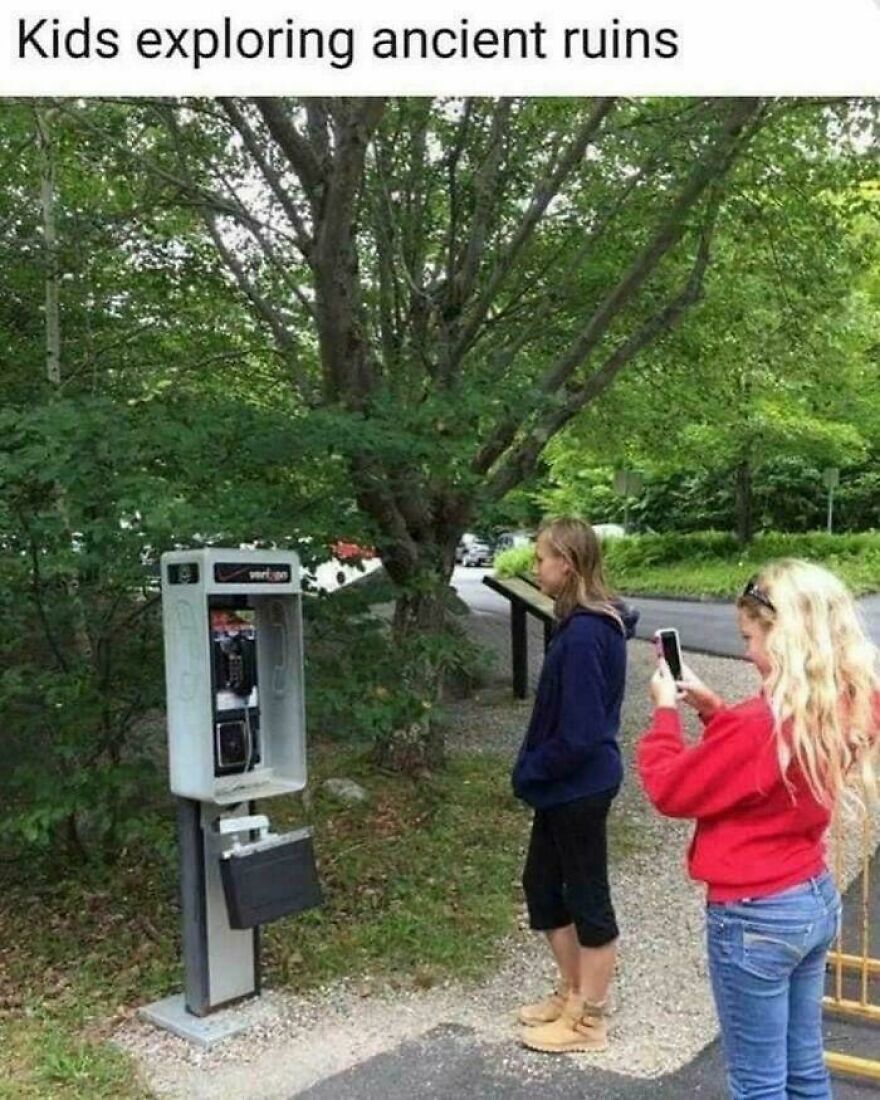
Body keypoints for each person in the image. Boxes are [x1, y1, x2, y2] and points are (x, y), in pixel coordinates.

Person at [638, 559, 879, 1099]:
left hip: (755, 916)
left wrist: (665, 715)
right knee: (804, 1069)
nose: (746, 650)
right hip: (811, 900)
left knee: (757, 1084)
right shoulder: (847, 701)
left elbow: (670, 789)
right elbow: (766, 770)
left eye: (750, 637)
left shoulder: (761, 725)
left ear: (785, 636)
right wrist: (712, 707)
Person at [512, 517, 638, 1054]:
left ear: (567, 562)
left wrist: (532, 769)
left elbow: (582, 734)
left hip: (579, 786)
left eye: (541, 557)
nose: (535, 566)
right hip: (564, 786)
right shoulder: (578, 623)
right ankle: (571, 994)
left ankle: (590, 1021)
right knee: (542, 887)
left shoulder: (588, 633)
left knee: (587, 898)